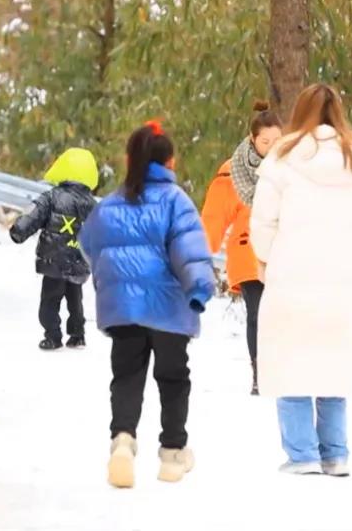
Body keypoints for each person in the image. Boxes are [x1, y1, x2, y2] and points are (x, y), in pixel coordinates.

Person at [249, 83, 352, 477]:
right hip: (343, 284)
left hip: (292, 280)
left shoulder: (282, 159)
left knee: (290, 363)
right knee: (333, 365)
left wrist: (270, 260)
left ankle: (303, 454)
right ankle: (336, 453)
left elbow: (263, 222)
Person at [78, 121, 215, 489]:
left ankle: (122, 440)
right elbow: (190, 250)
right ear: (169, 162)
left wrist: (115, 280)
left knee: (126, 377)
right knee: (172, 379)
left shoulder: (110, 203)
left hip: (123, 310)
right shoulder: (176, 201)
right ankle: (172, 453)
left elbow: (88, 243)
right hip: (169, 308)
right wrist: (200, 288)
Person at [200, 100, 283, 396]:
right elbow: (214, 217)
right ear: (252, 140)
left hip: (285, 255)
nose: (271, 148)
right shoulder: (232, 173)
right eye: (265, 142)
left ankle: (282, 369)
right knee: (258, 313)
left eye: (277, 141)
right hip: (248, 252)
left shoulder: (294, 171)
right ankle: (261, 374)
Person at [10, 148, 99, 350]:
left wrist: (18, 231)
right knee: (75, 298)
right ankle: (77, 334)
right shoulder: (93, 205)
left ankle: (53, 335)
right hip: (80, 260)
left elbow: (33, 215)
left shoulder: (52, 197)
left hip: (54, 259)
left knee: (50, 299)